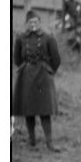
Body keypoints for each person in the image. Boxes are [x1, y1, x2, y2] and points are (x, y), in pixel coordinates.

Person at [12, 10, 62, 152]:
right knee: (29, 109)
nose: (33, 25)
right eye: (30, 22)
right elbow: (16, 59)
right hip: (26, 77)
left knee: (45, 110)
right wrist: (25, 68)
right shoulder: (20, 39)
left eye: (35, 22)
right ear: (26, 24)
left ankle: (49, 142)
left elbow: (56, 59)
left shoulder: (48, 38)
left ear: (40, 23)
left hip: (43, 77)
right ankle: (32, 141)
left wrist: (49, 71)